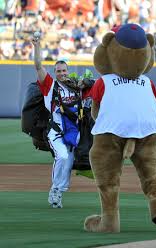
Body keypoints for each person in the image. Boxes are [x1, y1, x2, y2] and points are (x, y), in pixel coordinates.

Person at [31, 33, 93, 208]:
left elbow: (94, 91)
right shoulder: (50, 85)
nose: (62, 73)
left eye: (64, 70)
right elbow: (38, 65)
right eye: (58, 71)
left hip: (74, 133)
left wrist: (89, 82)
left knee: (69, 161)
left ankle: (59, 191)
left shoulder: (76, 87)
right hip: (56, 131)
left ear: (68, 71)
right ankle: (55, 190)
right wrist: (37, 46)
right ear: (55, 73)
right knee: (63, 156)